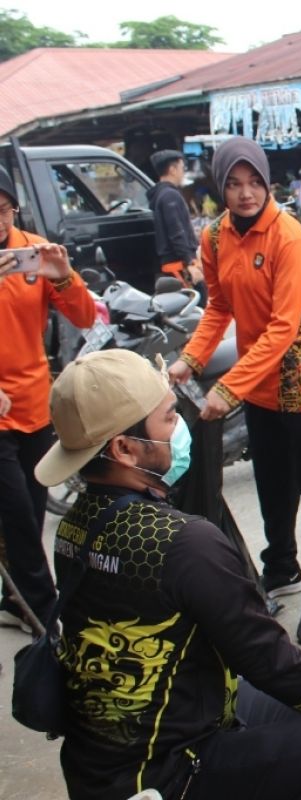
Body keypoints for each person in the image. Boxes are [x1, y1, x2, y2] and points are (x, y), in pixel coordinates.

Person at [34, 350, 301, 800]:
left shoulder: (74, 526)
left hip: (97, 763)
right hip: (164, 774)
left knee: (275, 699)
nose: (181, 428)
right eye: (168, 419)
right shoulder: (184, 543)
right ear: (124, 449)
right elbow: (272, 661)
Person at [167, 137, 301, 645]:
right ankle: (283, 567)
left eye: (254, 183)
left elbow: (284, 326)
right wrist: (190, 360)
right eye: (233, 183)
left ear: (267, 183)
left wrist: (228, 387)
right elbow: (217, 309)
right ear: (220, 185)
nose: (245, 194)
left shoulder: (287, 235)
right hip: (258, 381)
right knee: (272, 488)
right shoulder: (216, 235)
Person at [0, 165, 96, 632]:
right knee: (16, 514)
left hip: (33, 405)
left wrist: (63, 276)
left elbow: (81, 316)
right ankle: (42, 609)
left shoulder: (32, 252)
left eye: (3, 209)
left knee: (32, 511)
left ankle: (12, 598)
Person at [148, 149, 203, 298]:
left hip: (172, 265)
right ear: (172, 170)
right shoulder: (170, 195)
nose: (182, 172)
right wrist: (190, 262)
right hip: (179, 265)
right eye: (181, 168)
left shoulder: (160, 194)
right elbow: (176, 232)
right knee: (195, 308)